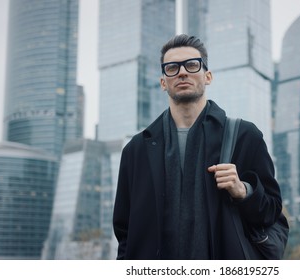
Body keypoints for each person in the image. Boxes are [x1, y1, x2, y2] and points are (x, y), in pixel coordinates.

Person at [113, 34, 287, 259]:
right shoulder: (137, 149)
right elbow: (124, 231)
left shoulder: (245, 136)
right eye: (172, 67)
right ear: (163, 82)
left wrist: (243, 191)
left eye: (192, 65)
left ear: (208, 76)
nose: (182, 72)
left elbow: (272, 211)